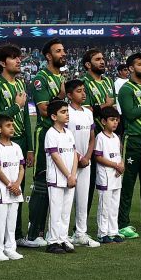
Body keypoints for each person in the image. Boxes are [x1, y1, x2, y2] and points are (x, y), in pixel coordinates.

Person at [0, 45, 38, 246]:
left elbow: (25, 119)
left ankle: (15, 236)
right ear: (2, 63)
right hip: (2, 143)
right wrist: (16, 106)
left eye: (19, 57)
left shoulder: (20, 85)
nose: (19, 61)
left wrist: (30, 148)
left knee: (18, 187)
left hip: (21, 142)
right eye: (14, 58)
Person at [25, 42, 71, 246]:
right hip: (46, 133)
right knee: (43, 181)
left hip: (62, 134)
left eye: (63, 50)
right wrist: (60, 97)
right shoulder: (41, 78)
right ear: (48, 56)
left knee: (61, 182)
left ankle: (57, 232)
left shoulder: (61, 77)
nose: (63, 53)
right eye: (58, 51)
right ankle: (34, 231)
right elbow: (44, 110)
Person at [114, 52, 141, 238]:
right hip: (134, 139)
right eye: (140, 64)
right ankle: (122, 223)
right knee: (128, 183)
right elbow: (129, 114)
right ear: (131, 68)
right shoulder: (126, 89)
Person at [39, 98, 79, 252]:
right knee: (56, 209)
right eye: (63, 112)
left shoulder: (68, 132)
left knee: (66, 210)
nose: (67, 114)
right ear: (54, 117)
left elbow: (74, 154)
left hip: (70, 178)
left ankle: (63, 238)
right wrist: (68, 175)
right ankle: (53, 241)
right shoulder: (51, 133)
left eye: (67, 111)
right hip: (57, 178)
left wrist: (73, 174)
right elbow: (55, 156)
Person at [64, 79, 98, 248]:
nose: (83, 94)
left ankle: (80, 233)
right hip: (69, 162)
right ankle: (60, 234)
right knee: (65, 199)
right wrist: (78, 156)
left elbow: (92, 137)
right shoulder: (66, 112)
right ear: (69, 95)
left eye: (84, 90)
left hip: (86, 161)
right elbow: (64, 137)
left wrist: (88, 156)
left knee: (83, 199)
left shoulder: (88, 112)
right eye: (79, 91)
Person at [0, 114, 26, 261]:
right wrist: (10, 185)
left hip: (15, 189)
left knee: (12, 219)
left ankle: (10, 247)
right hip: (3, 189)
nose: (12, 128)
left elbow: (21, 168)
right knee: (0, 219)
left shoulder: (16, 147)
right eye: (8, 126)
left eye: (12, 125)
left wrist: (17, 184)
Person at [91, 105, 125, 243]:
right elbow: (98, 157)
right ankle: (102, 233)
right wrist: (115, 166)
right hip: (105, 176)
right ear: (104, 121)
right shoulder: (100, 137)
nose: (115, 123)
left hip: (116, 176)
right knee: (104, 206)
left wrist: (121, 164)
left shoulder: (116, 137)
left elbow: (119, 154)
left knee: (114, 205)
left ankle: (113, 231)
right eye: (112, 120)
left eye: (117, 120)